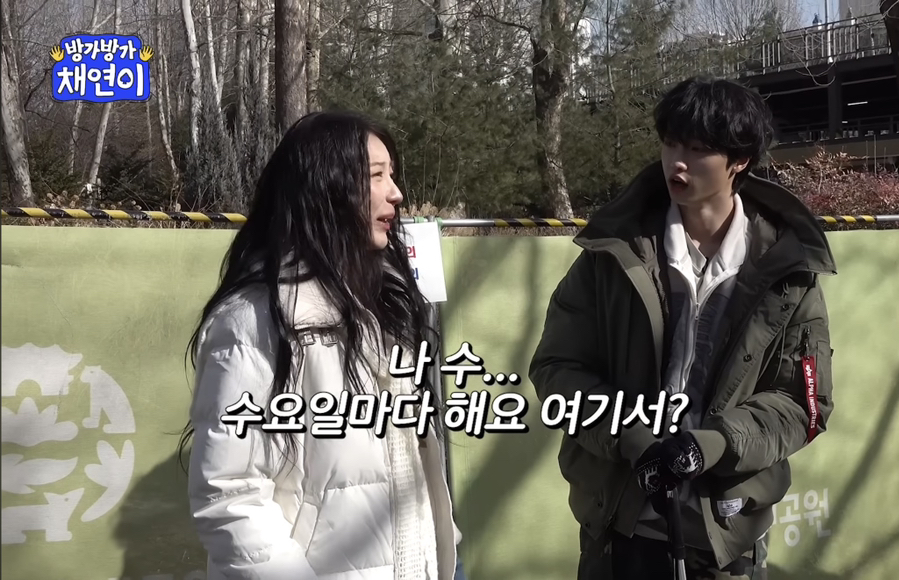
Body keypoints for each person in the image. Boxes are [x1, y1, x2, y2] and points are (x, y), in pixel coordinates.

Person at [529, 75, 837, 579]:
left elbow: (802, 403)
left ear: (739, 161)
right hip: (621, 529)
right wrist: (629, 436)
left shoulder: (788, 269)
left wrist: (711, 444)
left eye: (697, 150)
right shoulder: (614, 254)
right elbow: (556, 368)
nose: (677, 162)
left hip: (728, 536)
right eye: (671, 143)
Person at [179, 110, 465, 580]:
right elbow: (229, 494)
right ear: (325, 190)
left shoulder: (385, 309)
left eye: (392, 175)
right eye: (376, 176)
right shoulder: (253, 322)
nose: (396, 193)